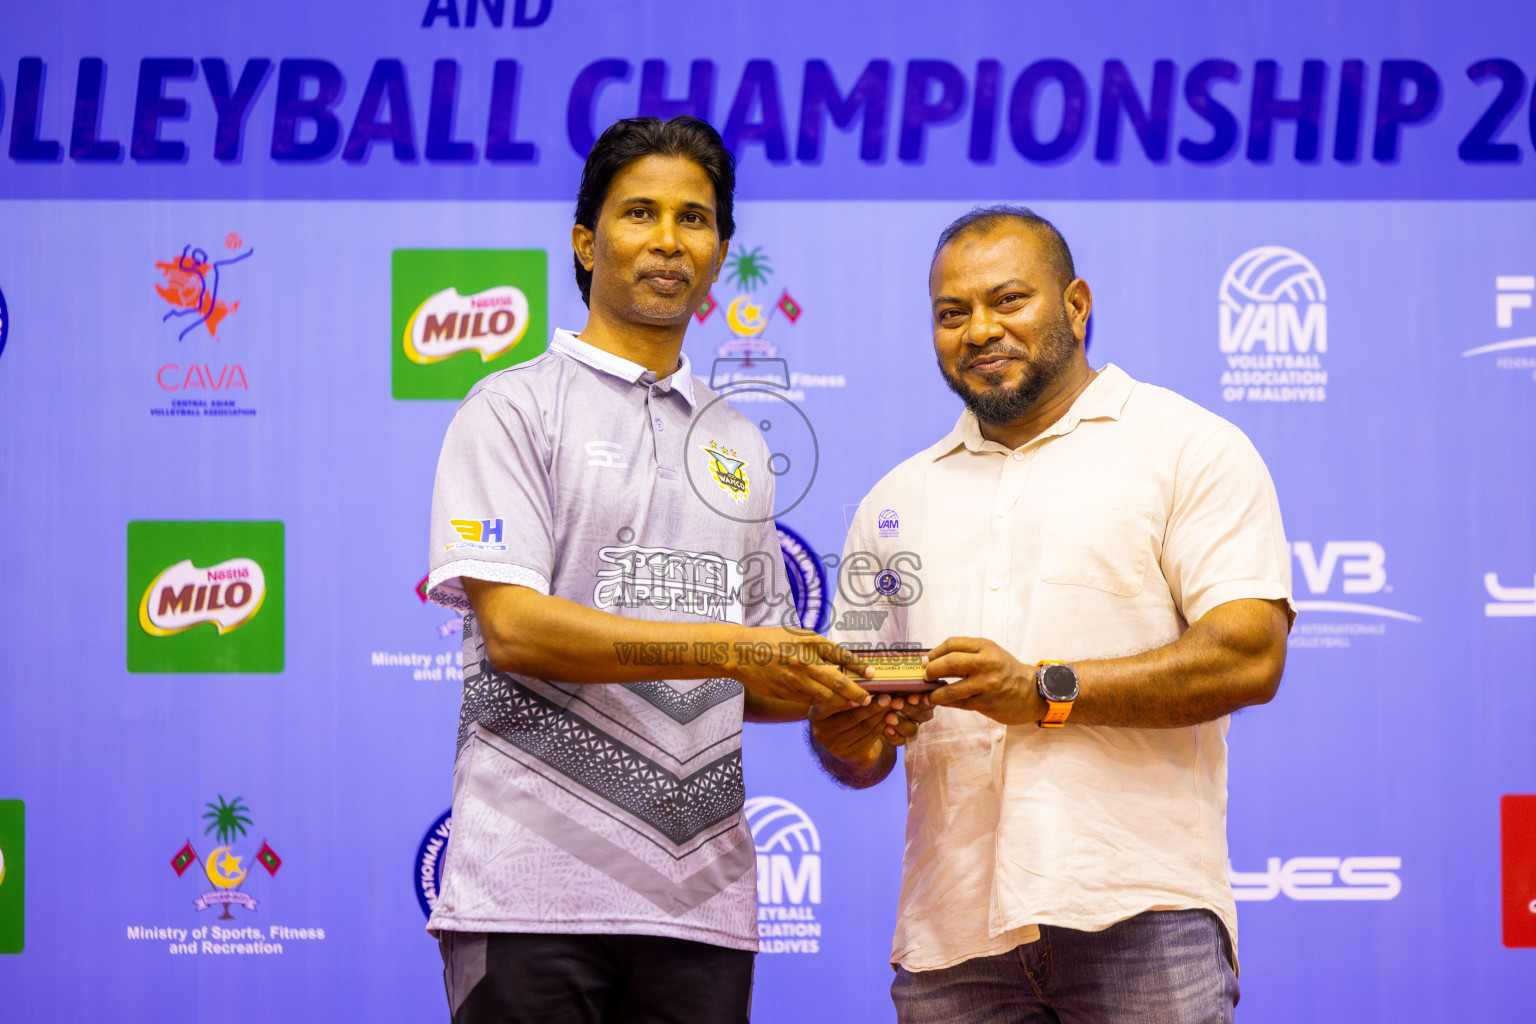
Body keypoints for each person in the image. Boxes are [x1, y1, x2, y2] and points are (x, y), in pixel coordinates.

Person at [422, 115, 891, 1024]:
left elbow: (752, 673)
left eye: (695, 218)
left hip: (701, 906)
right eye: (641, 212)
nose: (670, 239)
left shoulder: (738, 441)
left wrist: (851, 693)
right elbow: (515, 629)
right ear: (585, 241)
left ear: (718, 255)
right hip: (529, 897)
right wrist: (731, 649)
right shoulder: (511, 407)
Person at [814, 205, 1295, 1024]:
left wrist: (1042, 690)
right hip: (951, 938)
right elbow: (856, 755)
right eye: (952, 313)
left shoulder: (1187, 446)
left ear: (1076, 306)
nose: (980, 330)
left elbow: (1249, 656)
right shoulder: (894, 500)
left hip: (1140, 911)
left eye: (1008, 300)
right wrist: (853, 725)